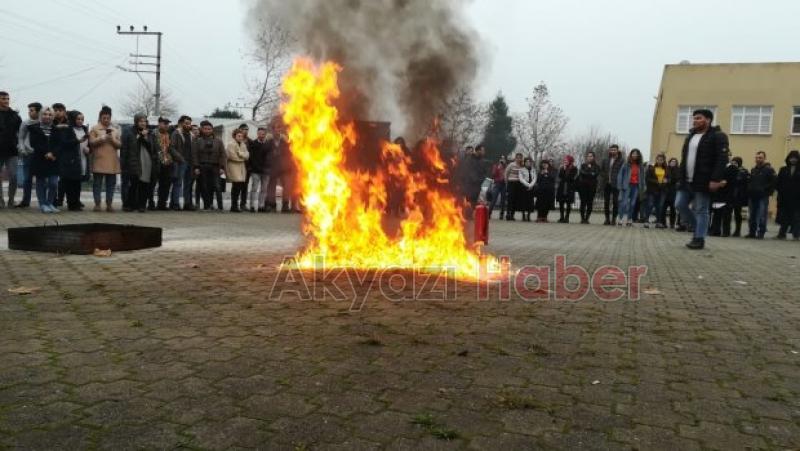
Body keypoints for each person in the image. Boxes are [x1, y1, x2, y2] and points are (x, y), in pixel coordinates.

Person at [675, 109, 729, 249]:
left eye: (699, 118)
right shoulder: (690, 136)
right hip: (686, 180)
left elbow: (722, 159)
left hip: (703, 180)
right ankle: (699, 229)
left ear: (708, 120)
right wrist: (680, 177)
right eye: (694, 118)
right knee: (679, 204)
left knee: (701, 209)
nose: (695, 120)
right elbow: (684, 158)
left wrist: (715, 179)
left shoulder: (718, 136)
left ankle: (699, 238)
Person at [122, 114, 161, 213]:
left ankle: (142, 205)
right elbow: (128, 148)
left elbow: (154, 148)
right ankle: (129, 205)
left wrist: (145, 137)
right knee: (134, 184)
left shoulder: (151, 134)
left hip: (147, 161)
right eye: (141, 121)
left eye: (144, 121)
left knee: (144, 184)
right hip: (134, 161)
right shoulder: (130, 132)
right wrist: (140, 136)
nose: (143, 123)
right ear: (136, 122)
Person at [88, 106, 121, 212]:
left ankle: (109, 204)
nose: (106, 120)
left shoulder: (115, 130)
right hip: (99, 160)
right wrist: (101, 138)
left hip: (112, 161)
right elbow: (91, 142)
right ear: (100, 118)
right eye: (104, 118)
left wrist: (112, 139)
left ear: (110, 118)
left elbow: (119, 145)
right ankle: (97, 204)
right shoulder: (94, 128)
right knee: (97, 184)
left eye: (108, 118)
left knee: (111, 184)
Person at [27, 107, 59, 213]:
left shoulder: (56, 129)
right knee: (41, 183)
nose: (47, 116)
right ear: (41, 115)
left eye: (50, 114)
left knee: (53, 183)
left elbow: (59, 144)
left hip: (53, 160)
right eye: (45, 114)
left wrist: (53, 153)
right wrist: (46, 153)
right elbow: (34, 143)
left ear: (52, 117)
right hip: (40, 159)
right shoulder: (34, 128)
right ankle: (43, 204)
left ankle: (50, 203)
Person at [56, 111, 88, 211]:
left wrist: (89, 148)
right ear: (73, 119)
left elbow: (87, 142)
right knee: (70, 182)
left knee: (78, 182)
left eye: (82, 119)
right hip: (70, 160)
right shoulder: (68, 129)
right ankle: (71, 203)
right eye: (78, 119)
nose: (80, 121)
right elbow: (64, 143)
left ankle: (76, 202)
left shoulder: (84, 129)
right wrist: (77, 141)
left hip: (82, 158)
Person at [192, 120, 226, 211]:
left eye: (209, 129)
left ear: (212, 130)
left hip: (215, 166)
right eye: (205, 129)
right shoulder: (198, 140)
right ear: (202, 130)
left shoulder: (218, 141)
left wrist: (222, 167)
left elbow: (223, 154)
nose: (207, 130)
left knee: (217, 186)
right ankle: (207, 205)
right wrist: (196, 167)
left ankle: (220, 206)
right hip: (202, 166)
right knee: (204, 187)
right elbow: (195, 154)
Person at [15, 102, 42, 209]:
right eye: (29, 110)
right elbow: (21, 137)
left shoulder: (43, 122)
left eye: (32, 110)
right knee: (27, 179)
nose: (29, 112)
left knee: (41, 179)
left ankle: (42, 201)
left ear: (38, 111)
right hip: (28, 154)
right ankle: (25, 201)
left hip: (40, 154)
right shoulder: (25, 123)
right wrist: (22, 148)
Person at [745, 151, 776, 239]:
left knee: (762, 214)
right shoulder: (753, 169)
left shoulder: (769, 170)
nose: (758, 159)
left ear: (764, 158)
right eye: (757, 157)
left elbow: (773, 182)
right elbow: (750, 181)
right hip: (752, 195)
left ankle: (761, 233)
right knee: (752, 215)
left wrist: (766, 190)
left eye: (760, 157)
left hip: (763, 196)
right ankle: (752, 232)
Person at [0, 91, 22, 208]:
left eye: (7, 98)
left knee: (13, 176)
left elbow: (21, 132)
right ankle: (0, 201)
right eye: (3, 98)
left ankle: (11, 200)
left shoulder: (15, 115)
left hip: (12, 150)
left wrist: (20, 145)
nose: (6, 101)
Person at [155, 117, 183, 210]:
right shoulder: (153, 133)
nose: (166, 125)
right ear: (159, 123)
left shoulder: (168, 134)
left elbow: (170, 148)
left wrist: (179, 158)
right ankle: (150, 203)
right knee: (152, 184)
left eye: (167, 123)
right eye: (164, 123)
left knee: (166, 185)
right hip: (157, 162)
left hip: (167, 162)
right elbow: (154, 149)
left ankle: (162, 204)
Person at [709, 153, 739, 237]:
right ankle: (715, 230)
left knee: (726, 215)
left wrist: (722, 182)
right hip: (717, 194)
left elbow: (729, 182)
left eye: (728, 155)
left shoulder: (733, 168)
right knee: (717, 213)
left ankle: (726, 231)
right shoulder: (718, 167)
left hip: (728, 194)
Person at [170, 116, 194, 210]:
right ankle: (175, 204)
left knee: (188, 184)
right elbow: (171, 147)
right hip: (180, 162)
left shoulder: (191, 135)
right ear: (181, 123)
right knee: (178, 183)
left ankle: (187, 204)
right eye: (186, 123)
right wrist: (180, 158)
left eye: (189, 123)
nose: (188, 125)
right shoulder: (176, 133)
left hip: (189, 162)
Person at [617, 148, 646, 227]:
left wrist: (643, 187)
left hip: (636, 186)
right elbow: (620, 175)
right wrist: (620, 186)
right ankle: (620, 218)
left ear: (639, 155)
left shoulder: (640, 166)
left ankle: (629, 219)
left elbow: (643, 177)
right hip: (627, 185)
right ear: (631, 154)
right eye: (633, 153)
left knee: (633, 204)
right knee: (624, 203)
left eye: (636, 154)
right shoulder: (626, 164)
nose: (635, 155)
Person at [775, 150, 800, 240]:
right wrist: (780, 193)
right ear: (788, 159)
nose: (793, 160)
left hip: (797, 199)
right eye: (791, 158)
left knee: (796, 217)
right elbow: (778, 183)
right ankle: (782, 234)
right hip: (784, 197)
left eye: (795, 158)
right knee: (784, 217)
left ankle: (796, 235)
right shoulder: (783, 169)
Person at [247, 127, 272, 213]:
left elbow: (270, 158)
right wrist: (253, 168)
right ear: (257, 134)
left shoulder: (268, 145)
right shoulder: (253, 144)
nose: (261, 135)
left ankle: (261, 206)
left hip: (266, 171)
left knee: (264, 189)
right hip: (255, 171)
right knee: (254, 188)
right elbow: (251, 158)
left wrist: (268, 168)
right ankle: (252, 206)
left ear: (265, 134)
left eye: (263, 134)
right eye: (260, 134)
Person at [226, 129, 250, 213]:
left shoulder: (243, 144)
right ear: (234, 136)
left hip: (241, 168)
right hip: (233, 167)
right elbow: (232, 156)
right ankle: (234, 205)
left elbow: (247, 155)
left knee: (239, 187)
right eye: (238, 136)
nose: (240, 138)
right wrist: (242, 157)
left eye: (242, 136)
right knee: (236, 186)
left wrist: (240, 154)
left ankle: (235, 205)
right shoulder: (230, 144)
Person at [643, 153, 669, 228]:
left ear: (664, 161)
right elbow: (647, 178)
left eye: (661, 160)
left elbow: (669, 178)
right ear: (656, 160)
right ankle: (646, 221)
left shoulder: (666, 170)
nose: (660, 161)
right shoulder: (651, 168)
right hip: (652, 190)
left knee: (660, 206)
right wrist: (657, 182)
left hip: (662, 190)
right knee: (650, 205)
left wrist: (667, 180)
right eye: (658, 159)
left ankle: (658, 222)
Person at [602, 145, 624, 225]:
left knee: (615, 202)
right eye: (612, 150)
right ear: (609, 151)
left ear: (618, 151)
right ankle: (607, 219)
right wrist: (604, 177)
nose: (613, 151)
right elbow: (602, 170)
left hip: (616, 184)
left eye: (615, 150)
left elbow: (623, 173)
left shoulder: (621, 161)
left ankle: (614, 219)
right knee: (606, 202)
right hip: (606, 183)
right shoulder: (605, 160)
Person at [728, 157, 749, 237]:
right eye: (732, 162)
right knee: (728, 213)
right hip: (731, 195)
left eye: (735, 163)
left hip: (739, 196)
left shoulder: (743, 171)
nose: (733, 164)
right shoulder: (731, 170)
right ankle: (728, 229)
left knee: (737, 214)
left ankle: (737, 230)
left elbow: (741, 181)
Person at [576, 151, 599, 224]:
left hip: (592, 187)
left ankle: (587, 218)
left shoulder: (597, 166)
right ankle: (582, 218)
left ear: (594, 157)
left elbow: (595, 174)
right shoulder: (583, 165)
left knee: (589, 203)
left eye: (591, 156)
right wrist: (589, 171)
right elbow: (582, 173)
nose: (589, 157)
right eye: (588, 156)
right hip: (583, 187)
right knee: (583, 202)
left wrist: (589, 172)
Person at [556, 155, 578, 223]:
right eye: (564, 160)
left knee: (568, 203)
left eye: (566, 160)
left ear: (570, 161)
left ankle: (567, 217)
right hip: (562, 187)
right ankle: (561, 217)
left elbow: (571, 178)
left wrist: (565, 171)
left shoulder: (574, 168)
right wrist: (563, 169)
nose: (565, 161)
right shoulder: (562, 168)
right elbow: (560, 176)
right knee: (561, 202)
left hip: (569, 187)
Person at [504, 153, 525, 221]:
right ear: (515, 158)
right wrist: (506, 183)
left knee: (515, 200)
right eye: (518, 158)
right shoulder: (511, 164)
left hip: (518, 183)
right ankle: (508, 214)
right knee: (510, 199)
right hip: (511, 183)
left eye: (520, 158)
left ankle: (512, 215)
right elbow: (506, 173)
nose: (519, 159)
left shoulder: (522, 165)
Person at [662, 157, 680, 229]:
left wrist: (669, 181)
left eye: (674, 162)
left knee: (673, 209)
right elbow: (664, 179)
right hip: (666, 191)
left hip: (674, 192)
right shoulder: (666, 170)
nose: (673, 163)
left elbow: (677, 179)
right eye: (672, 162)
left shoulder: (678, 170)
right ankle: (663, 223)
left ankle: (672, 223)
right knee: (663, 208)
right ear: (669, 162)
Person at [488, 155, 507, 220]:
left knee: (503, 200)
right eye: (501, 159)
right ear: (499, 160)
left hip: (504, 184)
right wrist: (498, 168)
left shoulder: (506, 167)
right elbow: (493, 175)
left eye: (503, 159)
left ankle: (501, 215)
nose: (502, 160)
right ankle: (489, 213)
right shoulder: (496, 166)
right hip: (497, 184)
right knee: (494, 199)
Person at [238, 123, 252, 211]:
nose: (245, 131)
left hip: (247, 167)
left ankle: (243, 204)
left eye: (247, 130)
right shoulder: (236, 140)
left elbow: (252, 155)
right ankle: (234, 204)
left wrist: (250, 166)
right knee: (237, 185)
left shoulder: (250, 141)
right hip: (238, 166)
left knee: (245, 186)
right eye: (244, 129)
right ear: (240, 130)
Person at [518, 157, 536, 222]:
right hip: (524, 187)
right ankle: (523, 216)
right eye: (526, 162)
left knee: (530, 202)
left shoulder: (533, 170)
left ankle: (528, 216)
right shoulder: (521, 170)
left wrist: (531, 185)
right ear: (524, 163)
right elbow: (521, 179)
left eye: (529, 162)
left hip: (531, 187)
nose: (528, 163)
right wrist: (527, 185)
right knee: (523, 202)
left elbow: (534, 178)